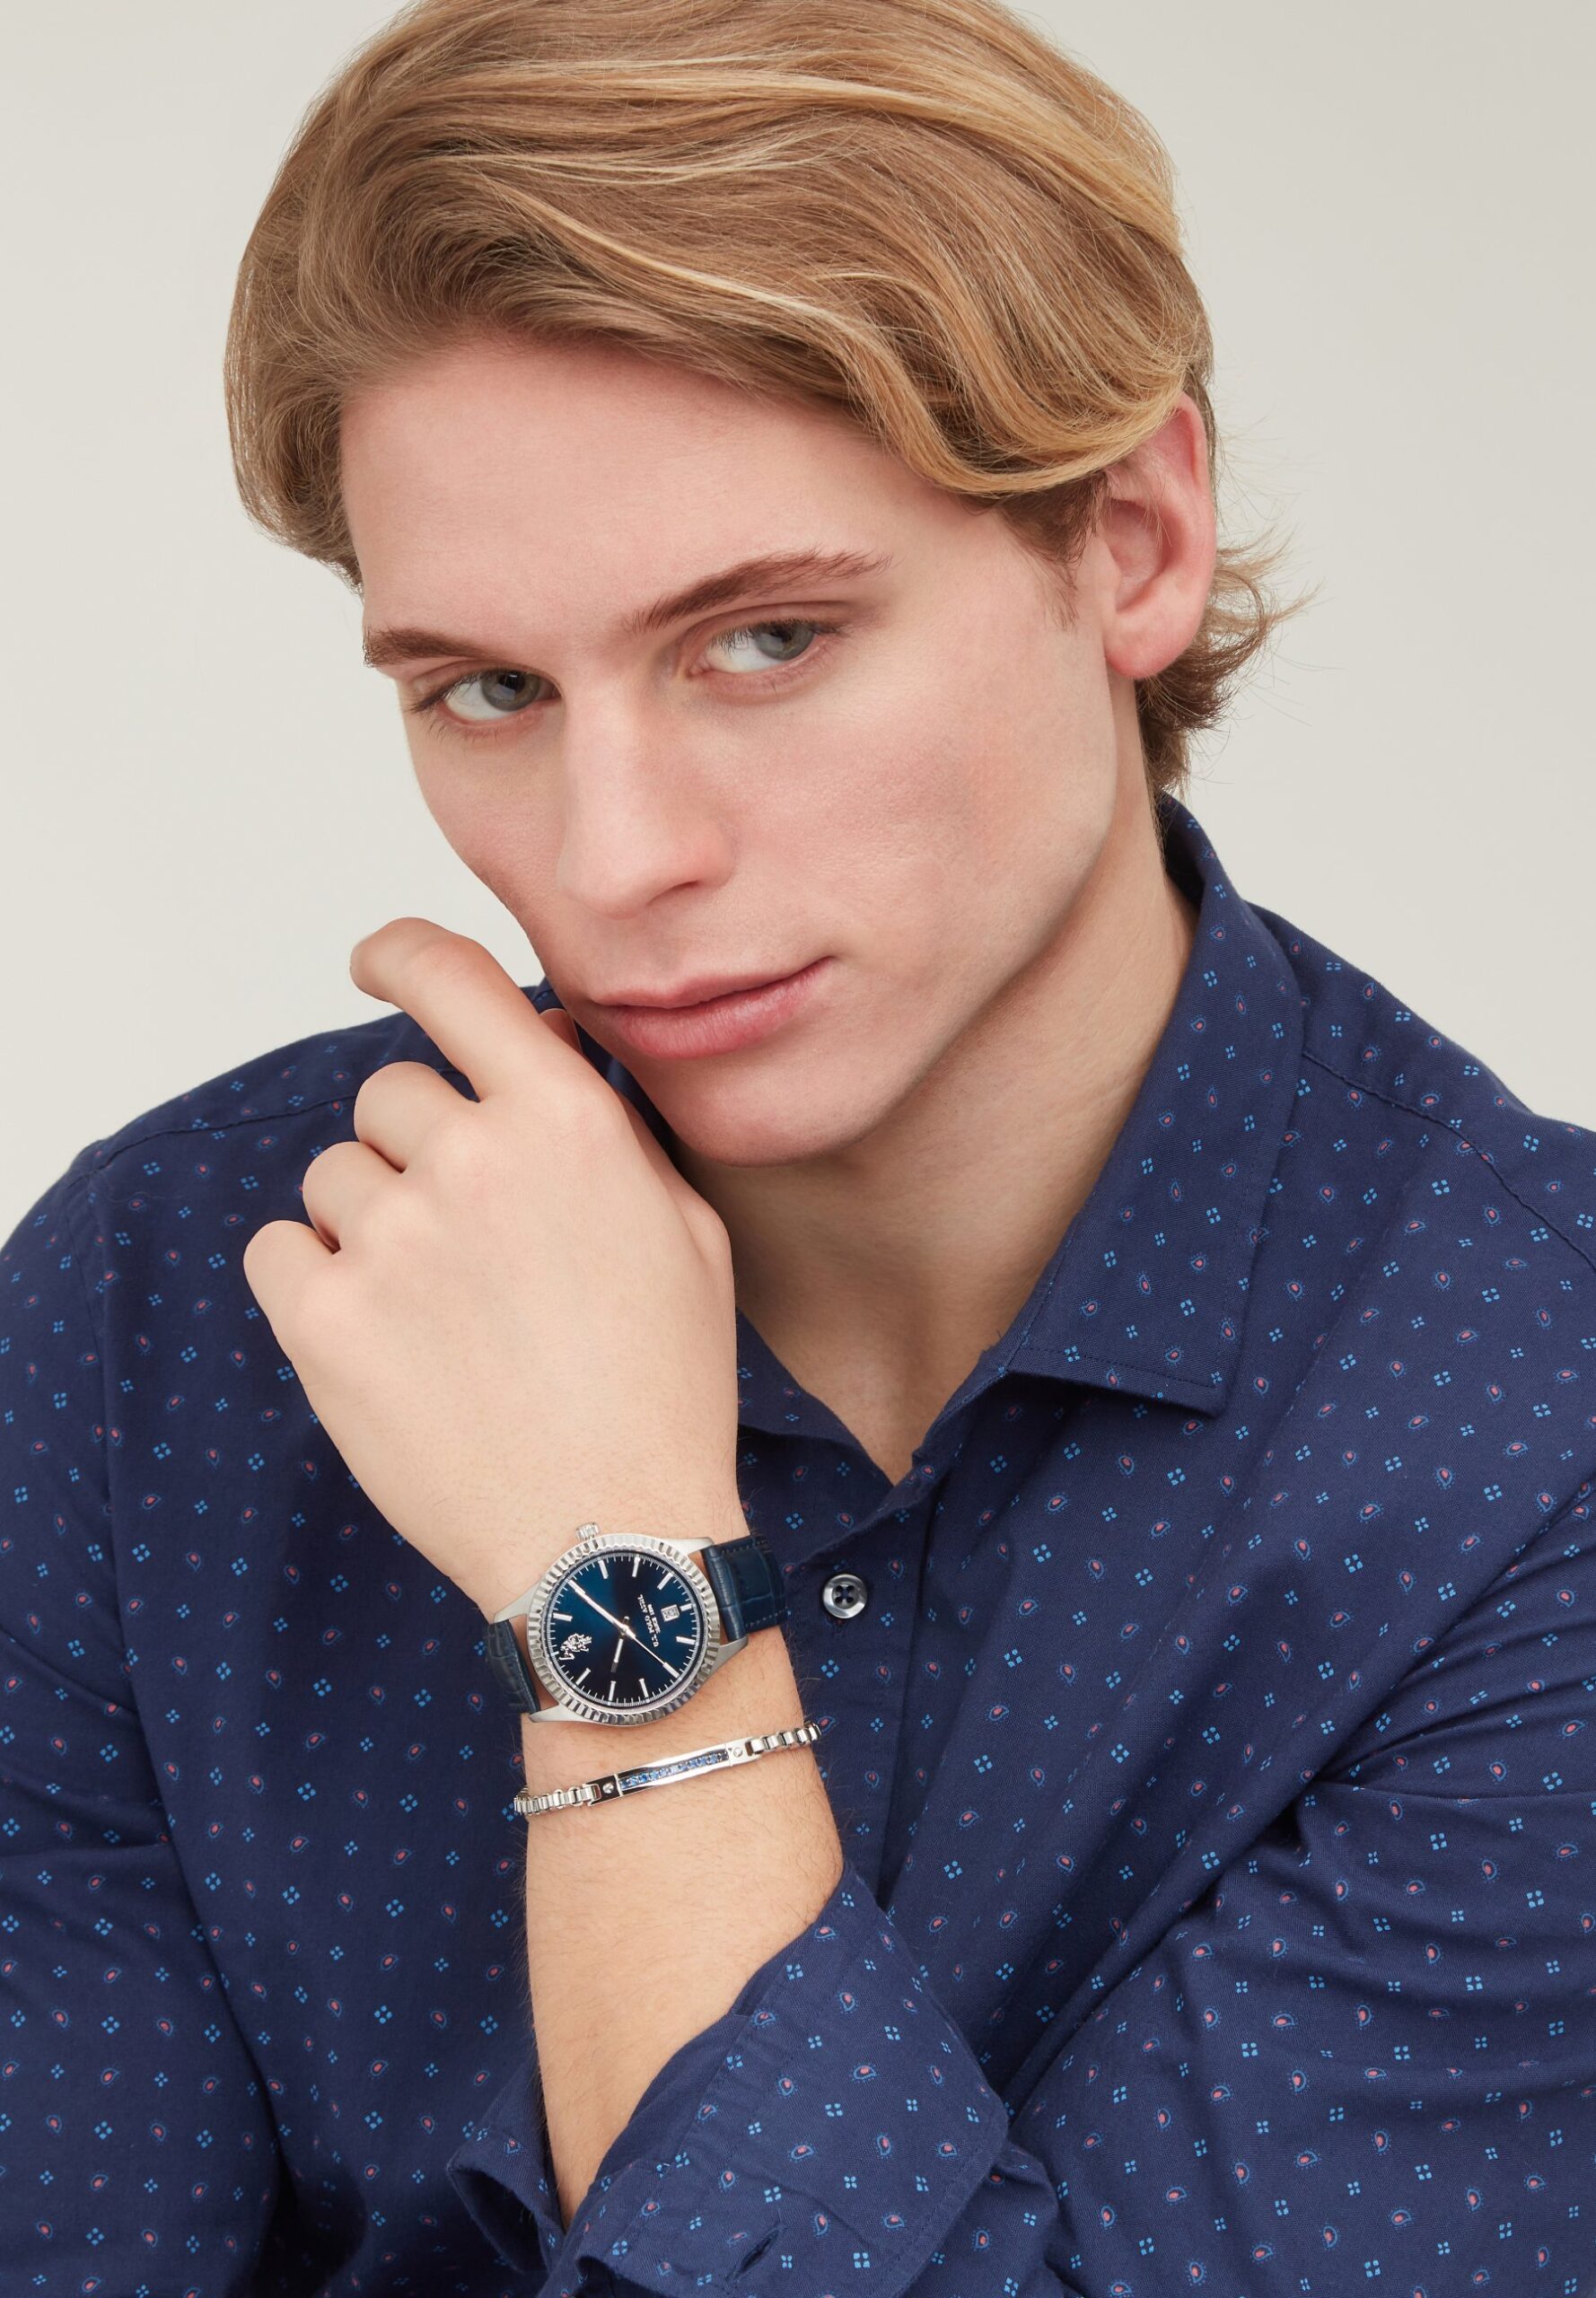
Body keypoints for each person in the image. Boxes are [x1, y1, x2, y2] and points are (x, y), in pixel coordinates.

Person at [4, 0, 1592, 2290]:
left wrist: (613, 1577)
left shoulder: (1533, 1429)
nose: (613, 856)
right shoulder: (166, 1312)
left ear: (1131, 541)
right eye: (486, 689)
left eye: (762, 640)